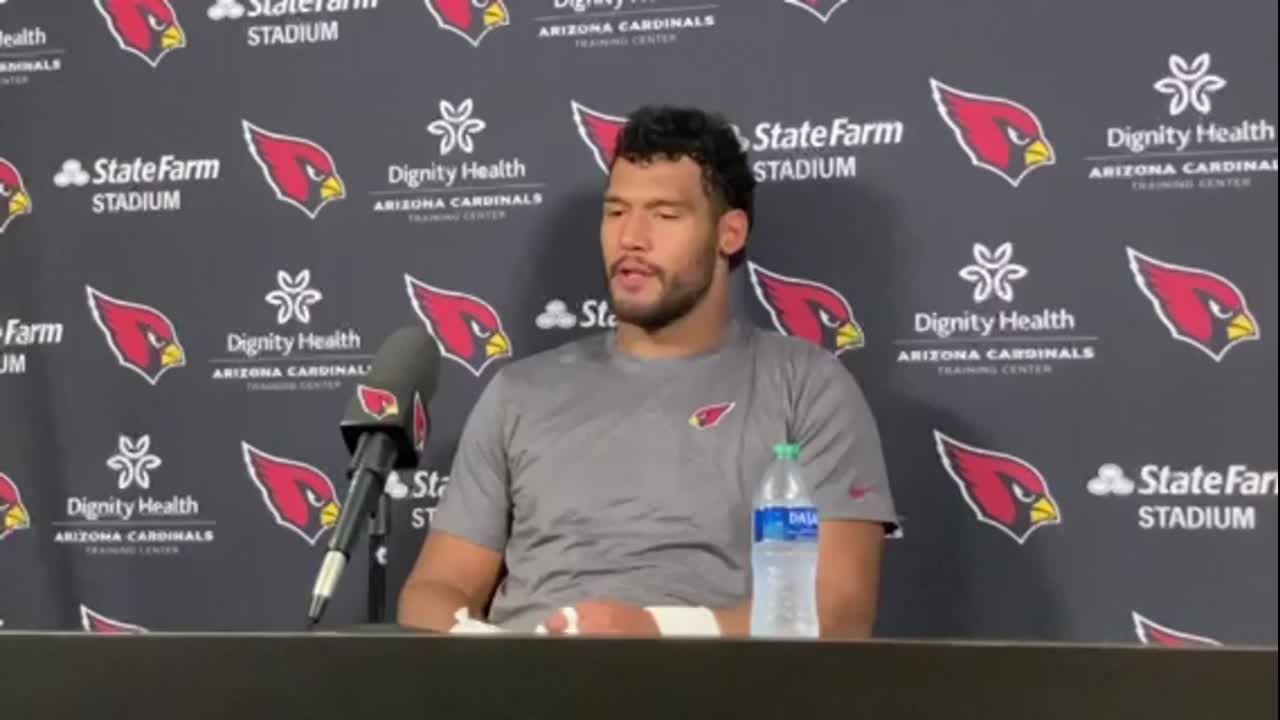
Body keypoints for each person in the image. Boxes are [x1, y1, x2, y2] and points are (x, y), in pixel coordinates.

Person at [397, 105, 897, 638]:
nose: (631, 237)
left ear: (729, 232)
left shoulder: (807, 387)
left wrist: (657, 630)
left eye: (664, 214)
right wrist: (487, 647)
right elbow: (436, 588)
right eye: (616, 212)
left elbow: (839, 610)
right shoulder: (519, 393)